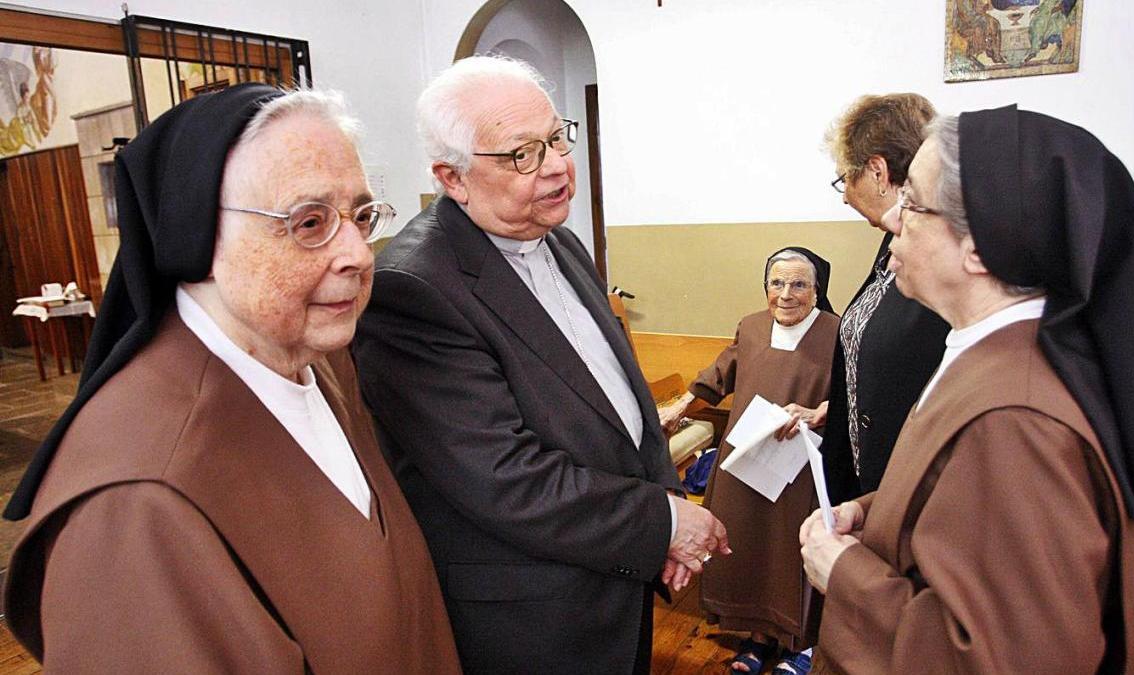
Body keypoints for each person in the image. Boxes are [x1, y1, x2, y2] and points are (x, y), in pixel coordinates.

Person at [1, 83, 461, 672]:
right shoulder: (134, 505)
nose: (359, 253)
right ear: (197, 236)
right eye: (310, 221)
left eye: (361, 216)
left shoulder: (318, 359)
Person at [352, 56, 729, 675]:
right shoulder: (413, 289)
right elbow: (504, 476)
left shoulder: (558, 237)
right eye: (522, 154)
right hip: (533, 618)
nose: (556, 165)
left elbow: (623, 402)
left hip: (615, 579)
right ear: (453, 177)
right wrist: (662, 522)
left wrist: (662, 507)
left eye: (556, 138)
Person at [799, 105, 1134, 673]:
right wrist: (879, 514)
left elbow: (1004, 658)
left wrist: (845, 573)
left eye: (914, 204)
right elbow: (969, 500)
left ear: (981, 247)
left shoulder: (1016, 417)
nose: (894, 219)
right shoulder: (994, 354)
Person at [660, 248, 838, 675]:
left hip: (800, 463)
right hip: (747, 458)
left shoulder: (837, 330)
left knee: (791, 550)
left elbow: (858, 391)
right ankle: (757, 639)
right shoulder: (752, 326)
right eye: (776, 283)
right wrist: (679, 409)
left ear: (817, 291)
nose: (786, 294)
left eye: (798, 284)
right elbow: (719, 374)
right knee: (752, 547)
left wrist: (819, 412)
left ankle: (803, 646)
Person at [820, 94, 949, 505]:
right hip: (869, 481)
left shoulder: (934, 251)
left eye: (845, 179)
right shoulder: (887, 243)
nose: (843, 196)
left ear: (877, 171)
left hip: (915, 488)